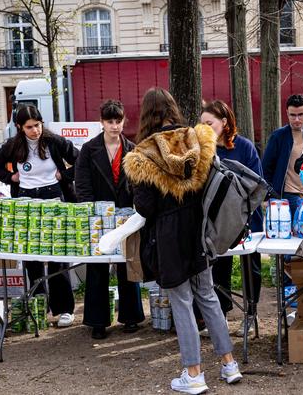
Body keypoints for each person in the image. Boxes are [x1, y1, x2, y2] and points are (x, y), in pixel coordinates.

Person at [124, 88, 242, 394]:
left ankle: (193, 373)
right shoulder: (195, 141)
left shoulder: (142, 155)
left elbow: (145, 207)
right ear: (173, 109)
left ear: (146, 114)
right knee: (208, 296)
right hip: (197, 229)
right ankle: (229, 364)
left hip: (168, 236)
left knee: (182, 302)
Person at [0, 105, 79, 328]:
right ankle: (40, 306)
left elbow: (80, 159)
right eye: (29, 127)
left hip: (53, 197)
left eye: (37, 125)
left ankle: (65, 309)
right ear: (20, 127)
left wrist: (65, 174)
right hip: (26, 200)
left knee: (58, 254)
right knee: (32, 256)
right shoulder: (13, 145)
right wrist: (12, 178)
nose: (35, 131)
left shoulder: (54, 141)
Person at [75, 99, 145, 339]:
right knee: (97, 267)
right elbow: (82, 184)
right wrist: (93, 210)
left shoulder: (133, 149)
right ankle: (97, 321)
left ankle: (131, 317)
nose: (114, 126)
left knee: (128, 262)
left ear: (124, 121)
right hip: (99, 215)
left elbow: (138, 183)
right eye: (110, 122)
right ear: (101, 122)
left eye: (118, 121)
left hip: (126, 214)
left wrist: (136, 210)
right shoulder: (88, 149)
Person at [199, 100, 263, 331]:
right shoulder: (204, 149)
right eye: (202, 124)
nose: (205, 128)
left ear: (224, 122)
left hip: (247, 217)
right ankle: (221, 315)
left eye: (210, 123)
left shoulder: (245, 147)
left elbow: (257, 182)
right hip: (218, 221)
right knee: (219, 268)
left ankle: (250, 313)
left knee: (250, 267)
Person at [262, 94, 303, 216]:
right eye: (292, 115)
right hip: (285, 196)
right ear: (287, 113)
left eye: (301, 115)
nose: (297, 119)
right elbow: (266, 168)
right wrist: (268, 196)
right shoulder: (278, 136)